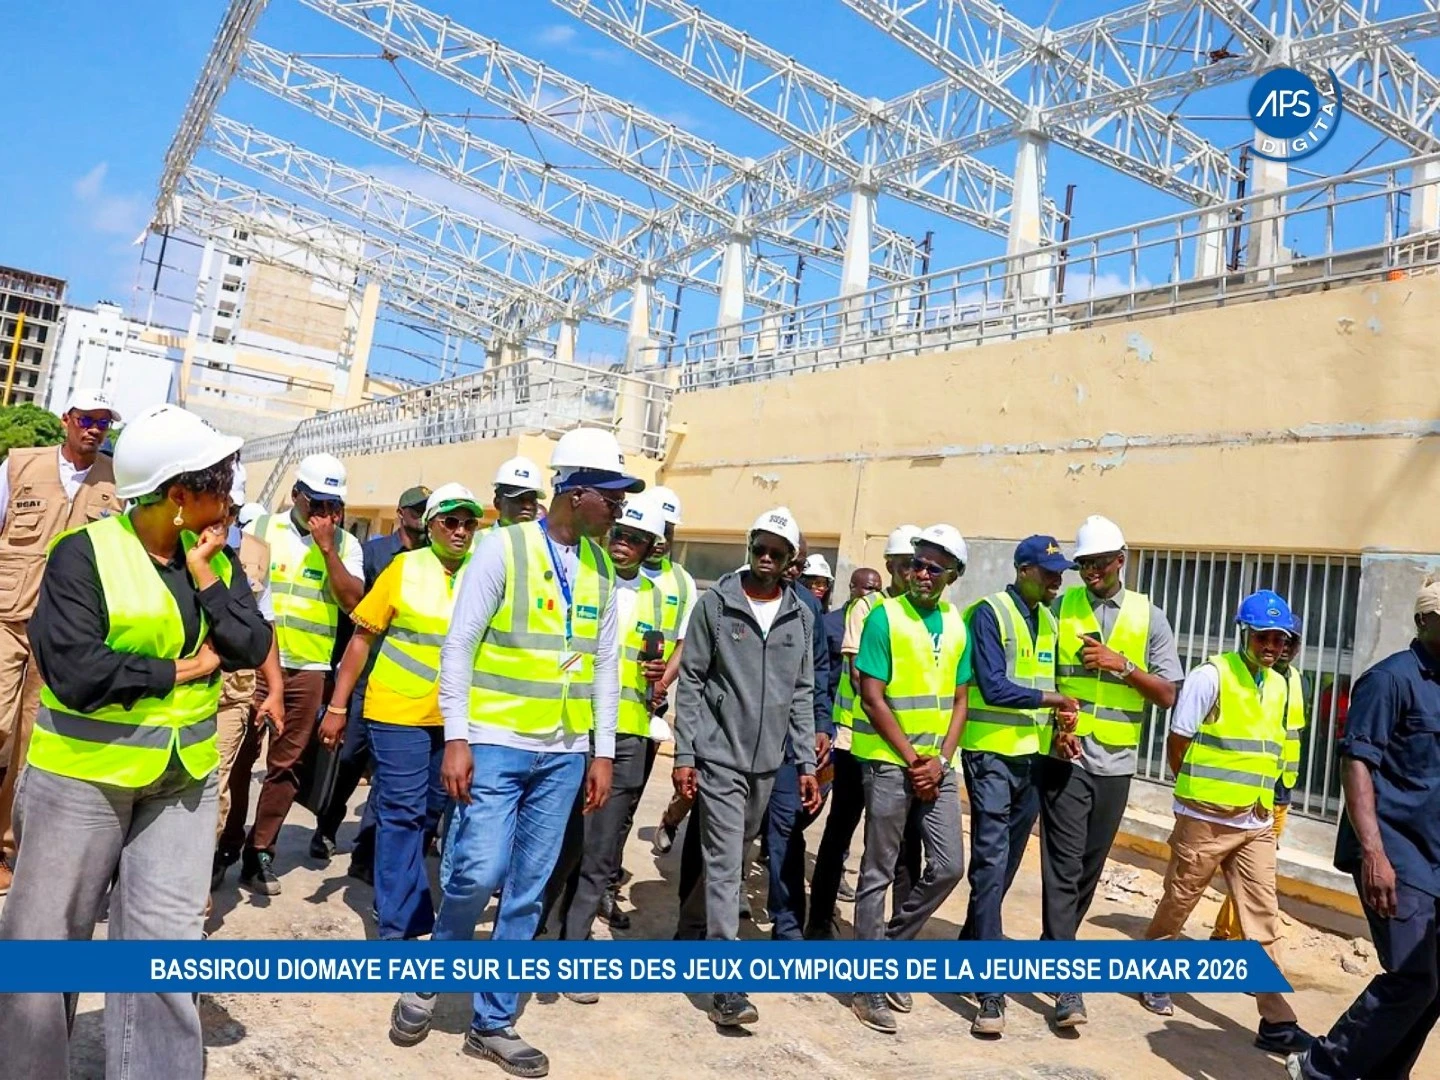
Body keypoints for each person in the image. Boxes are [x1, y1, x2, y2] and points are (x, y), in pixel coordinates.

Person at [0, 404, 271, 1080]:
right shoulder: (83, 554)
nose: (229, 501)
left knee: (165, 957)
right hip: (81, 780)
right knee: (44, 952)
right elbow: (75, 670)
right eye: (218, 485)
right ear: (178, 495)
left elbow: (250, 643)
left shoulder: (217, 561)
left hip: (180, 783)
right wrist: (181, 669)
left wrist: (206, 577)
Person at [388, 427, 638, 1076]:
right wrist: (458, 737)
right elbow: (460, 644)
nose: (620, 509)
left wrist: (601, 751)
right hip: (495, 744)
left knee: (527, 889)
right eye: (612, 497)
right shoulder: (503, 548)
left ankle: (492, 1023)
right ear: (577, 493)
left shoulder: (602, 567)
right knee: (476, 872)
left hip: (563, 753)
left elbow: (605, 666)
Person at [1138, 589, 1313, 1058]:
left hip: (1256, 819)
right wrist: (1193, 796)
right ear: (1245, 634)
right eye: (1264, 638)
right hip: (1206, 818)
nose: (1272, 647)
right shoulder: (1211, 676)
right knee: (1180, 899)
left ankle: (1276, 1022)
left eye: (1280, 639)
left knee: (1263, 916)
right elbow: (1178, 739)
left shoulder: (1279, 685)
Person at [673, 506, 821, 1028]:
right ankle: (726, 987)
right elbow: (692, 680)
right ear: (749, 547)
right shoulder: (716, 605)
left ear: (790, 560)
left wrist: (805, 762)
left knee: (731, 855)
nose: (766, 558)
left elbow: (801, 692)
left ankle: (688, 935)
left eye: (777, 553)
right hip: (719, 755)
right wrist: (686, 753)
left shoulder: (801, 616)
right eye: (760, 548)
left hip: (769, 763)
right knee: (726, 863)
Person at [1287, 579, 1440, 1080]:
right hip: (1394, 850)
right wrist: (1373, 854)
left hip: (1434, 854)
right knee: (1412, 976)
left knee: (1433, 984)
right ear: (1425, 621)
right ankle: (1320, 1067)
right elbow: (1356, 763)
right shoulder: (1390, 679)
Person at [319, 483, 479, 941]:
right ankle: (398, 923)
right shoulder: (404, 568)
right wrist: (337, 705)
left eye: (469, 523)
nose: (460, 531)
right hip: (397, 710)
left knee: (430, 813)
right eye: (450, 521)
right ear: (430, 525)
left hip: (453, 718)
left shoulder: (483, 571)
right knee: (402, 812)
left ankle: (399, 894)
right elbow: (361, 640)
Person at [1040, 515, 1182, 1028]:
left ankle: (1051, 950)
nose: (1090, 572)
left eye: (1099, 563)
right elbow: (1041, 677)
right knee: (1062, 865)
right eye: (1083, 565)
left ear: (1121, 560)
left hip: (1117, 763)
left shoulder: (1149, 616)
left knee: (1088, 866)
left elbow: (1168, 694)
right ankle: (1065, 984)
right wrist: (1057, 724)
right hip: (1067, 755)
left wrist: (1121, 664)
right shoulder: (1060, 609)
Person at [538, 491, 672, 983]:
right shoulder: (582, 575)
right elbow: (562, 649)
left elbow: (660, 659)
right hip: (576, 725)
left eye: (636, 539)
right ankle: (532, 934)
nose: (623, 544)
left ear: (651, 547)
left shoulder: (658, 596)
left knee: (599, 853)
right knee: (556, 842)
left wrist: (659, 673)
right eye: (620, 533)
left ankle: (572, 948)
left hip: (629, 732)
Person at [849, 525, 971, 1034]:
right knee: (878, 871)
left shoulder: (956, 623)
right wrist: (913, 760)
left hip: (937, 767)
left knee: (949, 866)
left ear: (953, 576)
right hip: (888, 762)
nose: (921, 573)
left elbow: (960, 700)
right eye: (917, 563)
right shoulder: (885, 617)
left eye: (933, 567)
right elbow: (871, 697)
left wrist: (940, 759)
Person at [0, 389, 120, 893]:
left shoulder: (117, 482)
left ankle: (9, 850)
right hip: (7, 618)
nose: (94, 429)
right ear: (66, 419)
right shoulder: (19, 465)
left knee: (33, 741)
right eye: (87, 419)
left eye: (103, 422)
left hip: (65, 632)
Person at [960, 535, 1078, 1036]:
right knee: (989, 865)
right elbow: (993, 687)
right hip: (989, 755)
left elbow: (1044, 682)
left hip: (1031, 759)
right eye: (1049, 573)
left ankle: (969, 950)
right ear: (1023, 570)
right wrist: (1055, 700)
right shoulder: (989, 613)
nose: (1056, 582)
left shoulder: (1047, 620)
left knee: (1005, 865)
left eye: (1060, 574)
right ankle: (990, 992)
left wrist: (1061, 729)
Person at [231, 453, 364, 894]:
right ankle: (225, 844)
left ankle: (259, 852)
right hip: (254, 664)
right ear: (296, 495)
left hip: (308, 670)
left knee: (286, 766)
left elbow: (354, 603)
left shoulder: (346, 545)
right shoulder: (260, 529)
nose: (326, 514)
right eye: (317, 503)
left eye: (334, 506)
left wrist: (327, 549)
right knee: (238, 758)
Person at [308, 484, 433, 876]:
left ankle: (366, 853)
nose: (421, 518)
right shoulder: (375, 554)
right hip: (365, 673)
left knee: (386, 773)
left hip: (404, 684)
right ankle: (326, 825)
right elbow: (356, 609)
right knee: (348, 759)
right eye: (415, 510)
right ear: (401, 513)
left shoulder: (436, 560)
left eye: (426, 511)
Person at [807, 537, 920, 938]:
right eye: (904, 563)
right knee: (841, 830)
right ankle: (818, 921)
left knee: (904, 845)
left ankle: (899, 935)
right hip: (857, 741)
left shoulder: (921, 613)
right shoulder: (867, 608)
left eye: (917, 563)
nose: (912, 572)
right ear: (890, 565)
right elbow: (858, 678)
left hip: (904, 747)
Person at [210, 463, 284, 897]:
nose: (225, 515)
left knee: (214, 790)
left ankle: (194, 898)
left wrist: (274, 687)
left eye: (233, 508)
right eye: (220, 504)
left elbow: (264, 623)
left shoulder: (256, 552)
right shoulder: (182, 543)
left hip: (232, 693)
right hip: (175, 688)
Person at [1214, 615, 1305, 941]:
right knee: (1225, 872)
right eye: (1269, 638)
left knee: (1255, 875)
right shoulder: (1250, 679)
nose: (1280, 647)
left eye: (1287, 641)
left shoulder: (1297, 681)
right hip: (1241, 790)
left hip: (1277, 793)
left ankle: (1229, 934)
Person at [761, 532, 833, 940]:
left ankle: (787, 928)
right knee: (723, 832)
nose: (790, 567)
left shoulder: (808, 607)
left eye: (798, 562)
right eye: (785, 558)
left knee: (786, 831)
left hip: (790, 741)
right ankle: (696, 927)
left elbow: (818, 672)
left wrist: (821, 726)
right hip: (736, 740)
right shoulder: (730, 596)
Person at [645, 485, 700, 859]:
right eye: (658, 528)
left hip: (653, 702)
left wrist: (661, 684)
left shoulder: (682, 581)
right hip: (604, 699)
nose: (663, 538)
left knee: (629, 793)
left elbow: (685, 640)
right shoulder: (610, 568)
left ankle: (607, 877)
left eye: (669, 530)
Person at [491, 456, 543, 527]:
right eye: (518, 499)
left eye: (532, 500)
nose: (528, 506)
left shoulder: (543, 534)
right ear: (497, 503)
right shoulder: (483, 534)